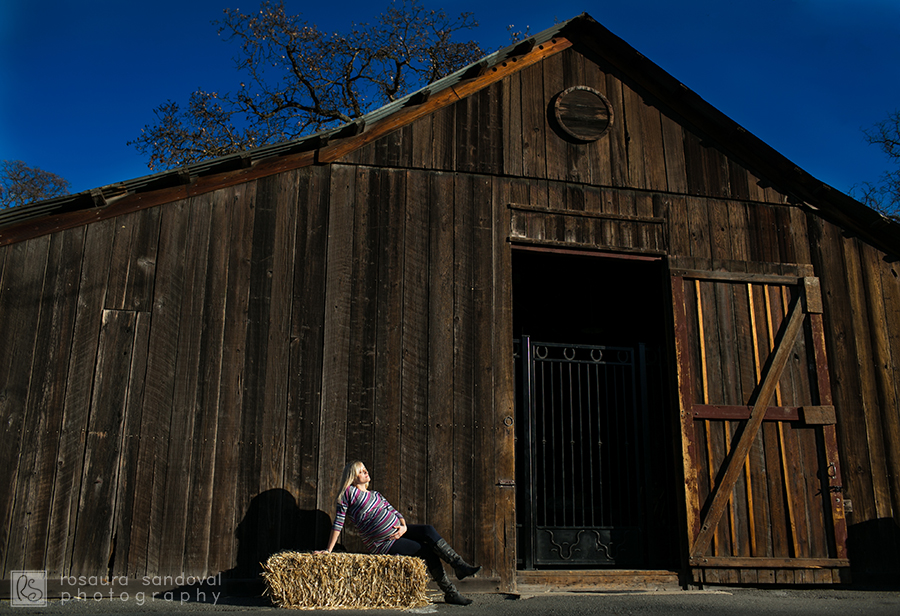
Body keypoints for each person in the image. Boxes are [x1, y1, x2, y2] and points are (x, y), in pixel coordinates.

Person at [316, 461, 481, 605]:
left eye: (365, 469)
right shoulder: (348, 494)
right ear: (352, 477)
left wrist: (403, 527)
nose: (366, 472)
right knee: (425, 551)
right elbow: (339, 522)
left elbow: (394, 511)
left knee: (428, 530)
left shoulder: (375, 494)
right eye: (360, 471)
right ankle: (451, 593)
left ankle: (459, 565)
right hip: (384, 543)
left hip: (399, 531)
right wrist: (329, 551)